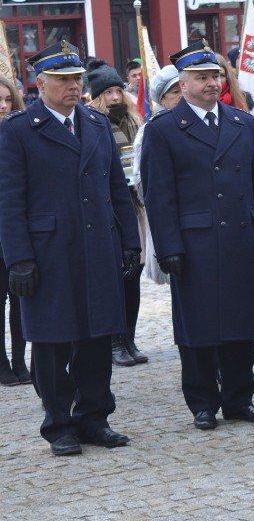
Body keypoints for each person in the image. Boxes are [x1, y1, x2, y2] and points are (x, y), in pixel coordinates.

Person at [0, 40, 140, 456]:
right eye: (63, 80)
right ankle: (59, 423)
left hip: (98, 245)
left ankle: (95, 417)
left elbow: (117, 187)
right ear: (40, 84)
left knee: (98, 337)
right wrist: (19, 259)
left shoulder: (96, 125)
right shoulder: (18, 131)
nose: (74, 87)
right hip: (49, 252)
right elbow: (9, 201)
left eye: (77, 79)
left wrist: (129, 241)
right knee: (52, 341)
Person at [140, 39, 254, 431]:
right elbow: (159, 196)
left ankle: (240, 398)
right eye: (201, 77)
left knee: (242, 321)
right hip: (194, 242)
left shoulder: (240, 122)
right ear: (182, 83)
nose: (210, 83)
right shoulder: (165, 129)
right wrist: (168, 246)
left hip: (241, 235)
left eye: (215, 75)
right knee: (198, 327)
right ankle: (202, 402)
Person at [86, 60, 148, 366]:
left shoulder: (134, 121)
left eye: (118, 91)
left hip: (134, 205)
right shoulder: (94, 124)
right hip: (109, 209)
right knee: (114, 278)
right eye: (108, 92)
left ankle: (129, 338)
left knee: (133, 273)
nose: (115, 97)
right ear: (97, 96)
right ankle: (114, 342)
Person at [131, 65, 182, 287]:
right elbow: (144, 185)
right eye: (174, 93)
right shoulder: (152, 131)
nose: (181, 97)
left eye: (183, 89)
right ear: (162, 99)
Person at [0, 76, 28, 386]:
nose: (4, 106)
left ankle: (20, 359)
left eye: (8, 100)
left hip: (17, 229)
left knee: (21, 298)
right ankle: (1, 362)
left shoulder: (21, 134)